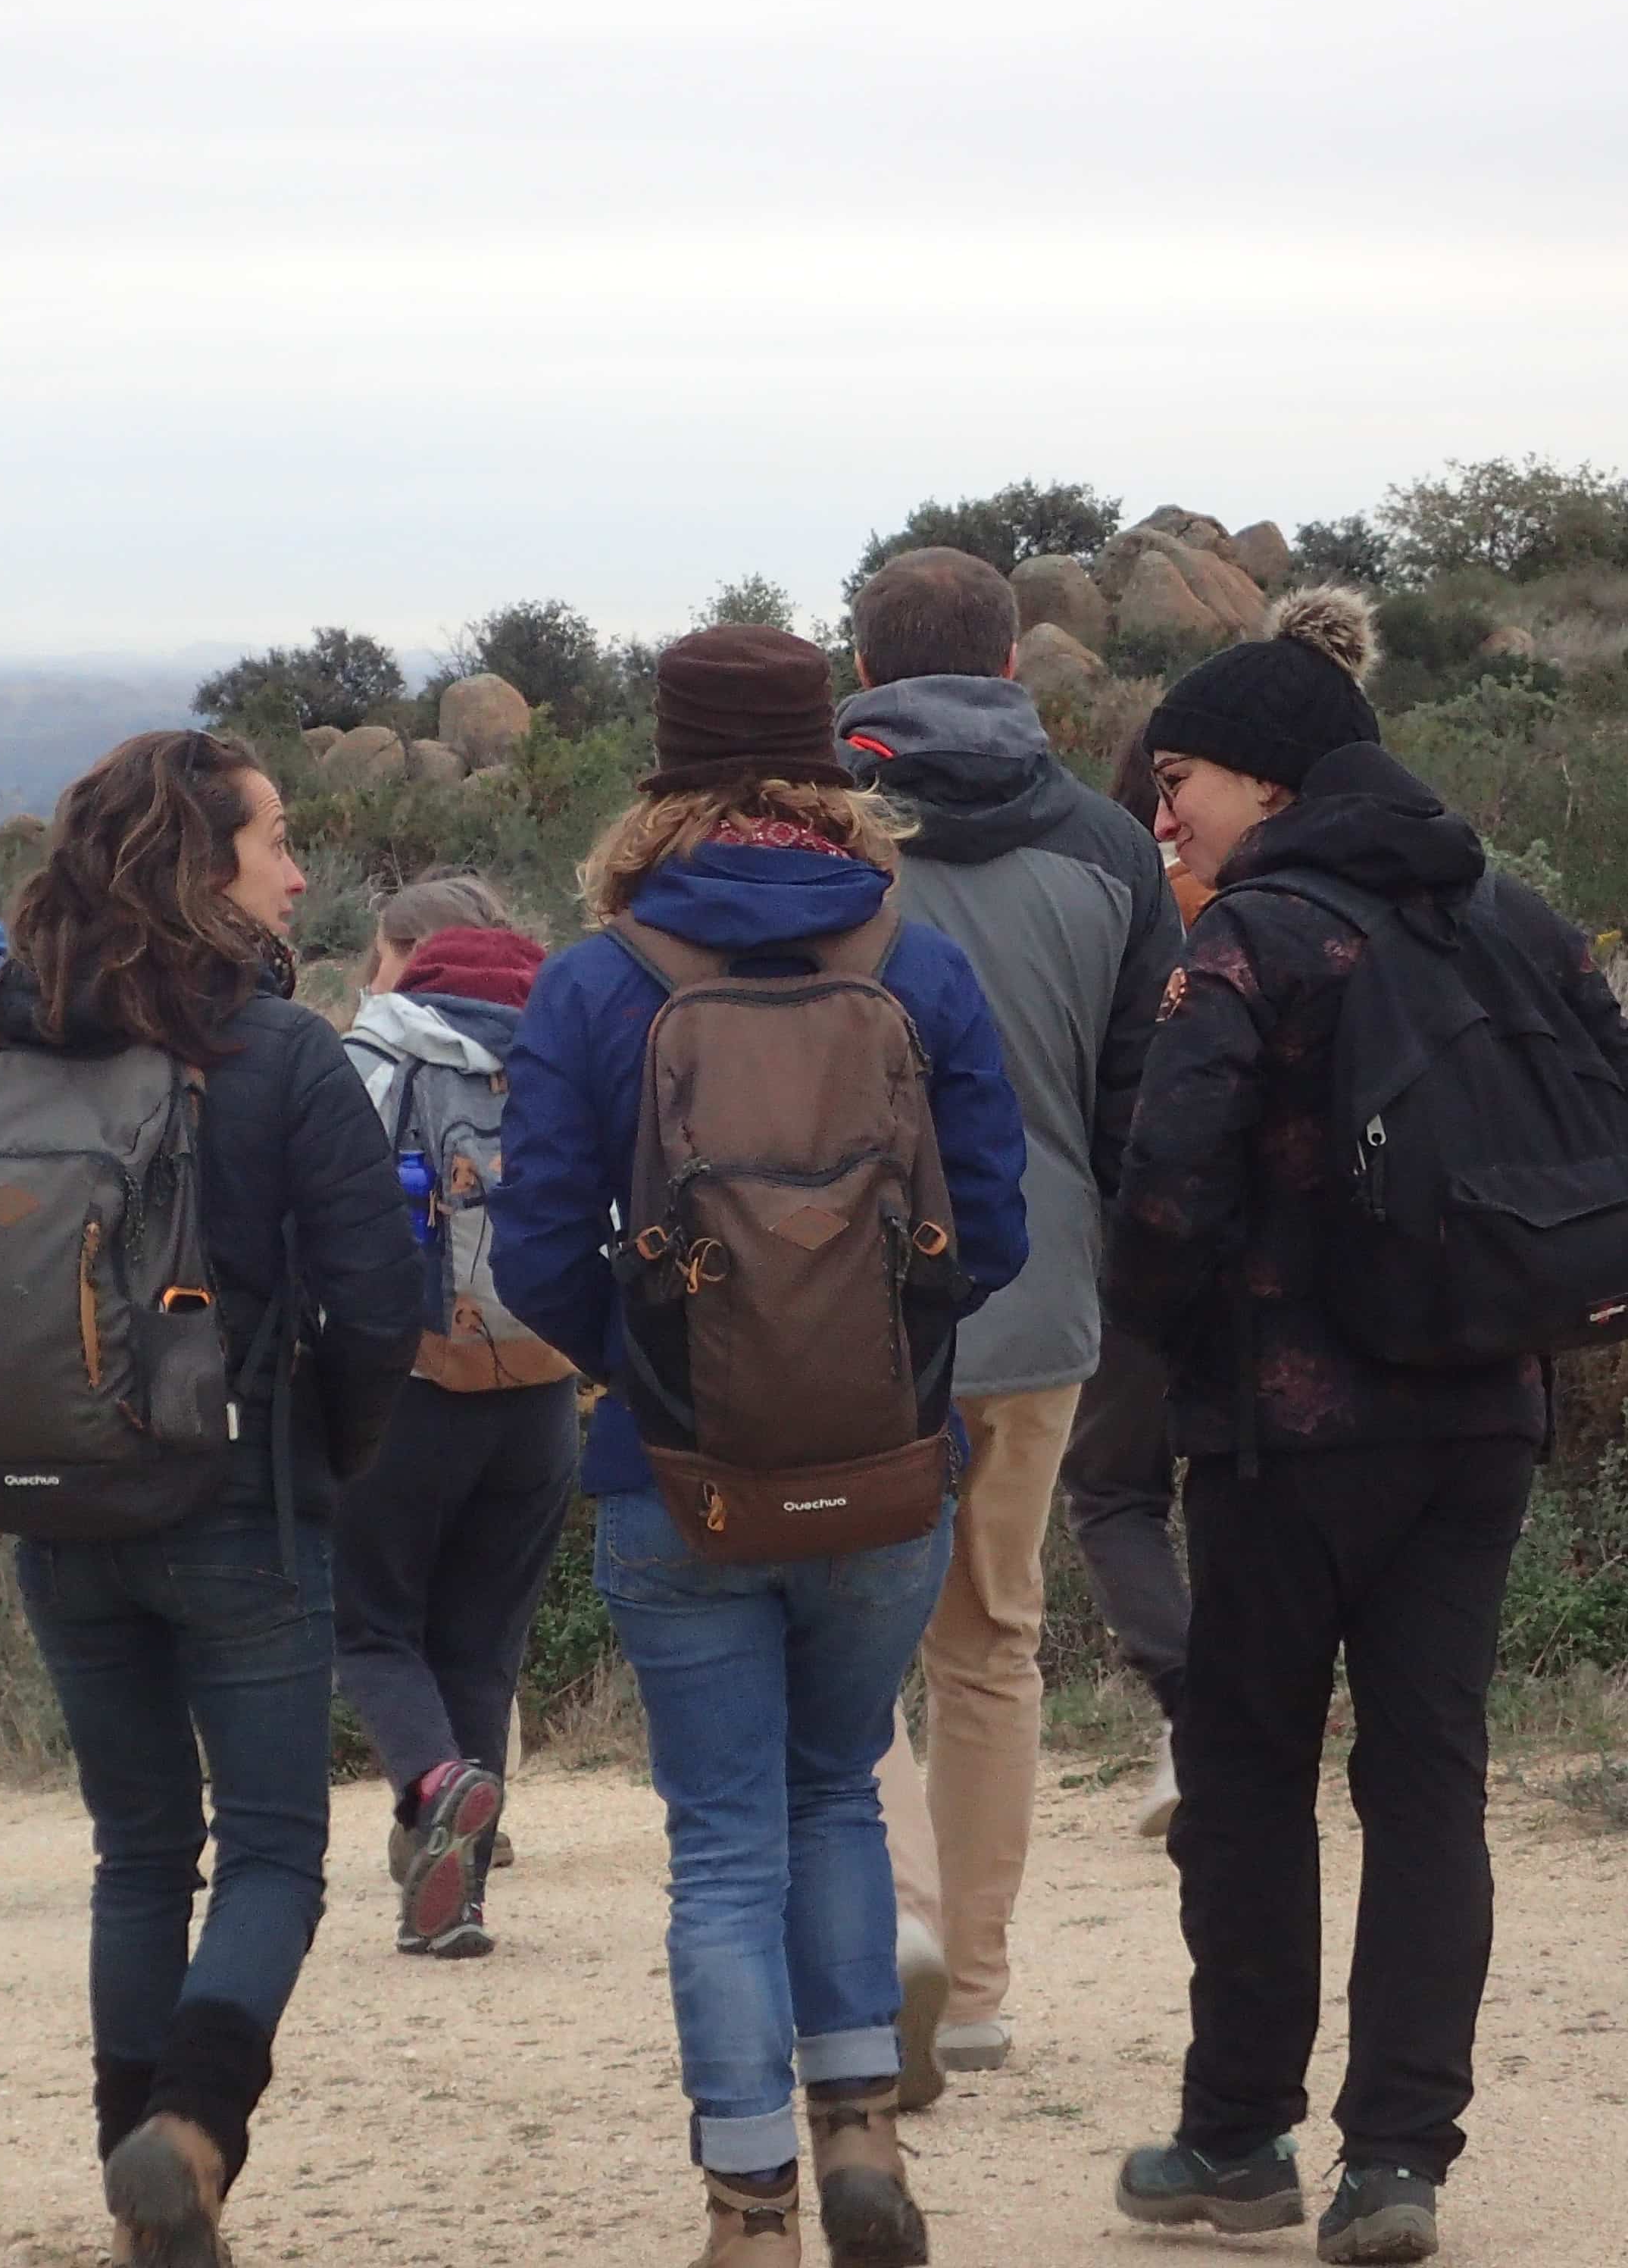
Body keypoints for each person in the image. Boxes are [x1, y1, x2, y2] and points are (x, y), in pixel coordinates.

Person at [1102, 592, 1628, 2266]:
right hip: (1486, 1416)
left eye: (1181, 774)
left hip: (1285, 1439)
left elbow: (1163, 1197)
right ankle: (1399, 2161)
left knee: (1252, 1773)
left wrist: (1181, 1344)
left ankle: (1237, 2141)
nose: (1164, 810)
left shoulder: (1252, 941)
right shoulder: (1517, 916)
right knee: (1432, 1786)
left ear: (1267, 781)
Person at [496, 625, 1029, 2268]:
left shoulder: (598, 980)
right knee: (839, 1801)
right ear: (829, 763)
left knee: (723, 1835)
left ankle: (749, 2208)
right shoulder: (915, 961)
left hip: (678, 1481)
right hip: (886, 1473)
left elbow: (527, 1255)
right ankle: (861, 2128)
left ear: (662, 775)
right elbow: (993, 1228)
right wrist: (885, 1370)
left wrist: (665, 1373)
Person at [0, 730, 420, 2268]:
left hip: (54, 1503)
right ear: (201, 863)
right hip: (242, 1499)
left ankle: (143, 2184)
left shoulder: (7, 1037)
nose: (296, 870)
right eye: (275, 839)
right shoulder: (283, 1053)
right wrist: (329, 1462)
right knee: (277, 1850)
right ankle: (194, 2136)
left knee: (139, 1852)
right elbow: (377, 1292)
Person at [833, 550, 1179, 2109]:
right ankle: (973, 1994)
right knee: (996, 1644)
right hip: (1038, 1307)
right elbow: (1140, 1116)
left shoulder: (809, 838)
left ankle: (894, 1923)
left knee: (837, 1648)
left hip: (828, 1313)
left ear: (860, 671)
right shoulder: (1110, 847)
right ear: (1015, 672)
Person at [333, 875, 576, 1957]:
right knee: (482, 1645)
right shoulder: (568, 1032)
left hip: (411, 1386)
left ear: (404, 953)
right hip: (541, 1384)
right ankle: (458, 1898)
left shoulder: (376, 1054)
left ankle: (435, 1787)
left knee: (373, 1624)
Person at [1073, 718, 1203, 1835]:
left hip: (1123, 1231)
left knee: (1116, 1489)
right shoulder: (1287, 893)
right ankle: (1235, 1720)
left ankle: (1188, 1705)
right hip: (1272, 1237)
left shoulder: (1102, 896)